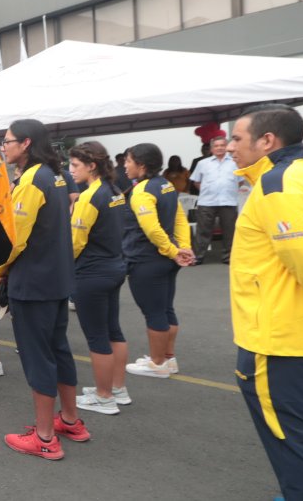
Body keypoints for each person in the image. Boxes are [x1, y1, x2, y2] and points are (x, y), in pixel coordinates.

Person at [226, 104, 303, 501]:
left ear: (267, 141)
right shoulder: (301, 173)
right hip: (292, 332)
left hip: (277, 339)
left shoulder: (279, 184)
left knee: (290, 437)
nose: (229, 147)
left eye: (237, 138)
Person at [0, 119, 88, 460]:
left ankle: (45, 437)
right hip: (55, 280)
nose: (4, 147)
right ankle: (70, 421)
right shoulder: (56, 176)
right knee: (58, 350)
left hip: (34, 282)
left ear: (26, 143)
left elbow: (15, 238)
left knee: (38, 358)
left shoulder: (33, 180)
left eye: (7, 141)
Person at [67, 142, 130, 415]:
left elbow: (75, 243)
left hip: (92, 272)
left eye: (75, 165)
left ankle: (104, 397)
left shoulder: (90, 197)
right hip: (114, 266)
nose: (71, 171)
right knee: (112, 330)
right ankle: (116, 389)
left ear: (91, 166)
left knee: (97, 337)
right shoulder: (114, 191)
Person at [122, 143, 195, 380]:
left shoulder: (142, 190)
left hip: (147, 259)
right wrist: (182, 247)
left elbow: (151, 228)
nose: (125, 165)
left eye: (128, 161)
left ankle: (157, 363)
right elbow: (179, 218)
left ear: (141, 165)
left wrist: (173, 250)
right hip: (165, 260)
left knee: (154, 312)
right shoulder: (166, 185)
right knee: (165, 309)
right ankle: (168, 358)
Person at [189, 135, 240, 264]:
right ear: (211, 149)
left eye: (222, 145)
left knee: (229, 231)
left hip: (228, 201)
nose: (219, 148)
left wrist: (226, 189)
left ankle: (228, 257)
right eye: (216, 146)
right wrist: (210, 190)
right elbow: (196, 182)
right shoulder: (202, 164)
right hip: (207, 201)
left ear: (227, 147)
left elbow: (239, 181)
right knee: (203, 230)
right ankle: (198, 257)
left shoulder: (235, 162)